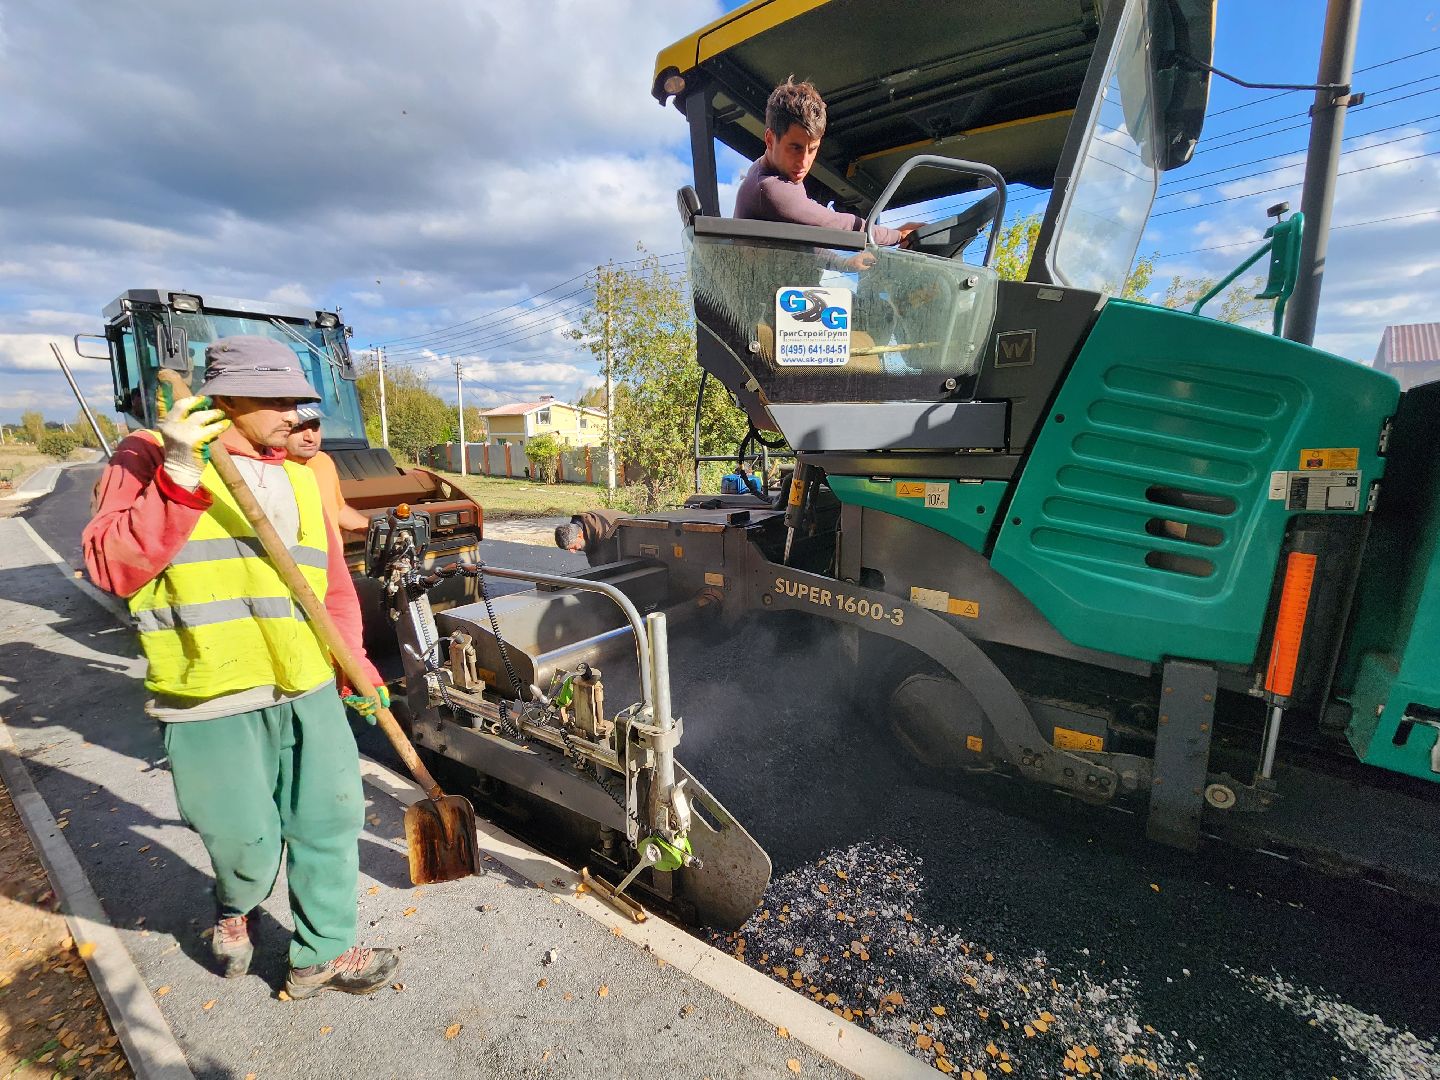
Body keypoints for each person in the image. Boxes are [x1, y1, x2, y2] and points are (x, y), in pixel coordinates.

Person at [83, 336, 399, 999]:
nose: (295, 414)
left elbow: (330, 585)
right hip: (211, 694)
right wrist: (178, 474)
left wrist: (356, 668)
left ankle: (322, 954)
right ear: (226, 398)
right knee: (245, 839)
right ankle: (235, 908)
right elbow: (112, 566)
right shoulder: (149, 457)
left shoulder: (301, 473)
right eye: (277, 399)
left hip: (306, 683)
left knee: (332, 820)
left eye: (299, 399)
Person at [734, 76, 923, 246]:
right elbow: (832, 223)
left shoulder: (764, 171)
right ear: (769, 139)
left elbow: (805, 233)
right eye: (796, 148)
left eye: (812, 149)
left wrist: (843, 263)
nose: (804, 162)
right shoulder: (769, 189)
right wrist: (897, 235)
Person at [285, 403, 371, 534]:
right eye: (298, 428)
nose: (310, 437)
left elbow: (337, 510)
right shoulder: (269, 472)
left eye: (314, 426)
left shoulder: (323, 461)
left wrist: (375, 530)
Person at [554, 508, 624, 566]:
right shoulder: (581, 527)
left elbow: (607, 566)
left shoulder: (602, 535)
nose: (573, 552)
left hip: (630, 532)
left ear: (580, 535)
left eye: (574, 547)